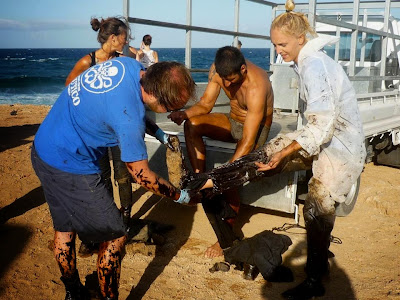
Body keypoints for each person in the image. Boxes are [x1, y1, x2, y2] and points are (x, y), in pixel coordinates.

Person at [189, 1, 366, 298]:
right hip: (319, 136)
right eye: (274, 45)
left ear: (300, 39)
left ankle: (314, 279)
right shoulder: (303, 60)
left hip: (340, 145)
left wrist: (284, 154)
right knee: (260, 159)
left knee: (317, 204)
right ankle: (213, 183)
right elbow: (314, 129)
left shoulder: (314, 65)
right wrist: (276, 153)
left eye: (282, 44)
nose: (278, 51)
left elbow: (322, 126)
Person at [32, 58, 197, 300]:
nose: (172, 112)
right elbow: (141, 175)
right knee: (115, 236)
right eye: (172, 108)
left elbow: (127, 102)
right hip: (71, 164)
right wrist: (179, 196)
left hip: (44, 148)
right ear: (156, 99)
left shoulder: (130, 66)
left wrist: (158, 132)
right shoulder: (128, 119)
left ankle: (73, 293)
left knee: (65, 229)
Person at [65, 17, 171, 239]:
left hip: (119, 133)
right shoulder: (88, 62)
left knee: (123, 177)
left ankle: (124, 222)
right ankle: (105, 221)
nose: (127, 42)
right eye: (125, 38)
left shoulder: (124, 61)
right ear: (113, 38)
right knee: (101, 176)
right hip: (95, 135)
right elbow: (69, 90)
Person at [168, 46, 274, 258]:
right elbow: (206, 104)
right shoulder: (221, 72)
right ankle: (200, 181)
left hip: (255, 129)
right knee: (192, 124)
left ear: (243, 69)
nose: (226, 84)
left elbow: (247, 140)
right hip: (234, 120)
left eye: (232, 80)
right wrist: (184, 114)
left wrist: (223, 174)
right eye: (223, 79)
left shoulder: (257, 86)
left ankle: (226, 236)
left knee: (229, 178)